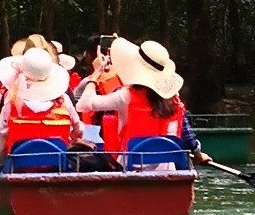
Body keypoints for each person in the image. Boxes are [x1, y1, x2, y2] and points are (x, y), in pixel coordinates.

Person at [76, 37, 204, 161]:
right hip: (167, 166)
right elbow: (187, 135)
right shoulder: (173, 99)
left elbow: (82, 105)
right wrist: (198, 154)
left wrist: (95, 76)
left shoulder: (125, 95)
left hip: (131, 165)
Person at [0, 47, 85, 164]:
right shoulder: (64, 100)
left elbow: (1, 136)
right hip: (58, 165)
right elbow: (78, 129)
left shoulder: (11, 104)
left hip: (18, 166)